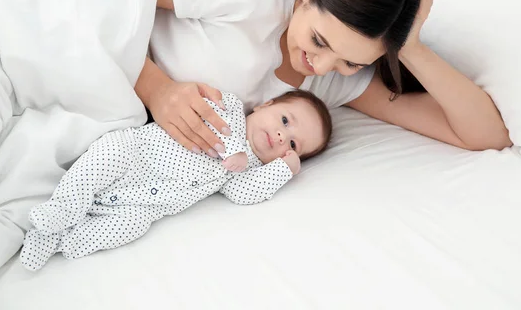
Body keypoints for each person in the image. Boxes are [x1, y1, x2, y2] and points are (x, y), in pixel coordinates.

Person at [136, 0, 512, 161]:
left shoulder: (334, 83)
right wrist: (155, 88)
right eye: (319, 40)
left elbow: (487, 136)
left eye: (350, 61)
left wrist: (409, 46)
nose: (319, 65)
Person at [20, 90, 332, 271]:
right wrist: (236, 147)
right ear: (267, 105)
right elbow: (207, 108)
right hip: (135, 155)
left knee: (131, 226)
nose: (281, 136)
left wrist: (282, 171)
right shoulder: (231, 108)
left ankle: (57, 240)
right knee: (101, 161)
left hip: (150, 201)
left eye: (293, 145)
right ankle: (62, 209)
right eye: (285, 121)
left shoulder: (251, 170)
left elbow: (241, 193)